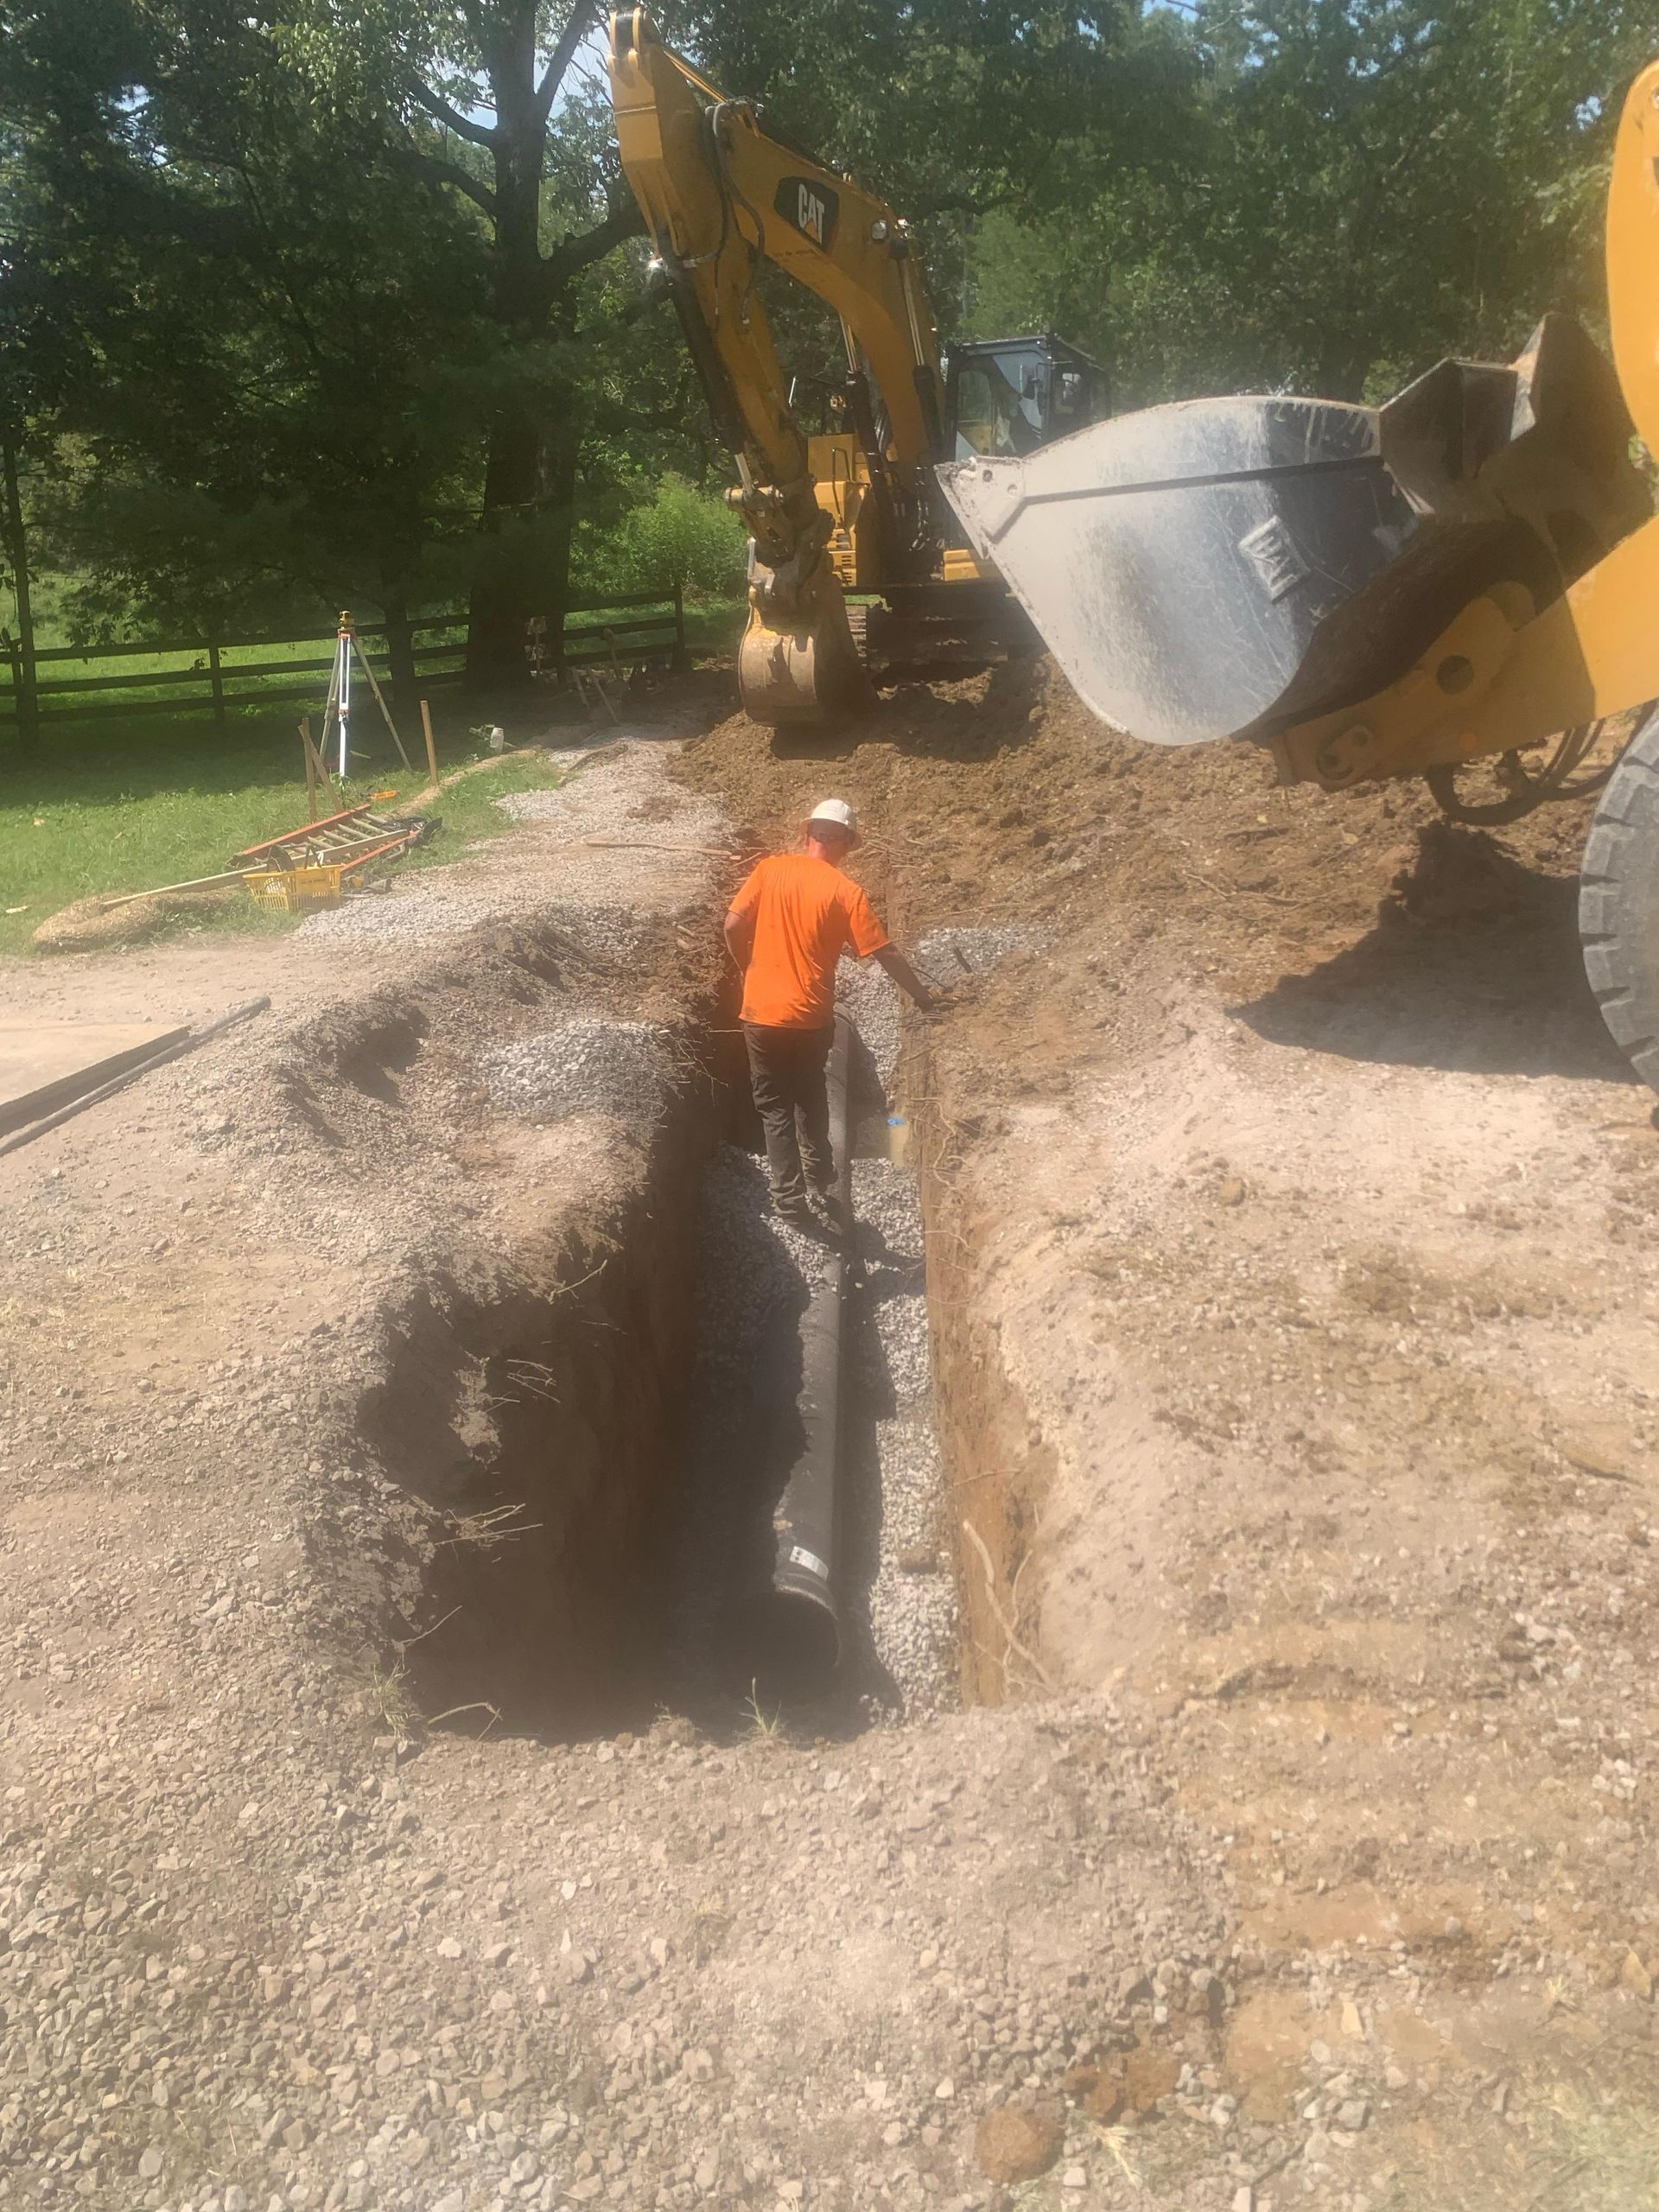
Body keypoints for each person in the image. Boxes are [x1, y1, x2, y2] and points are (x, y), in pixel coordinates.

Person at [724, 798, 935, 1226]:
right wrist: (923, 996)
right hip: (812, 1016)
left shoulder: (769, 870)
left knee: (773, 1107)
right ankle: (821, 1170)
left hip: (760, 1014)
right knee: (810, 1092)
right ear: (845, 845)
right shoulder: (845, 892)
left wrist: (746, 966)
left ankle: (789, 1199)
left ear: (808, 835)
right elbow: (884, 952)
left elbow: (731, 925)